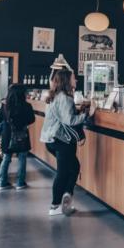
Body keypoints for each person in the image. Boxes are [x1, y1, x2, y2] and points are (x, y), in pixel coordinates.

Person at [40, 69, 89, 216]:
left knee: (73, 167)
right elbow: (70, 120)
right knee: (63, 172)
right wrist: (87, 114)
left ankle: (66, 196)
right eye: (74, 78)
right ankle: (56, 205)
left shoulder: (54, 96)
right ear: (67, 80)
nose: (76, 80)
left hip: (50, 140)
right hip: (62, 140)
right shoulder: (65, 98)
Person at [0, 84, 35, 191]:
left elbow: (0, 119)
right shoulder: (27, 106)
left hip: (7, 135)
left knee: (6, 158)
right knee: (22, 158)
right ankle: (20, 183)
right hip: (22, 135)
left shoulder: (5, 105)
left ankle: (2, 183)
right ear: (22, 93)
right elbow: (32, 120)